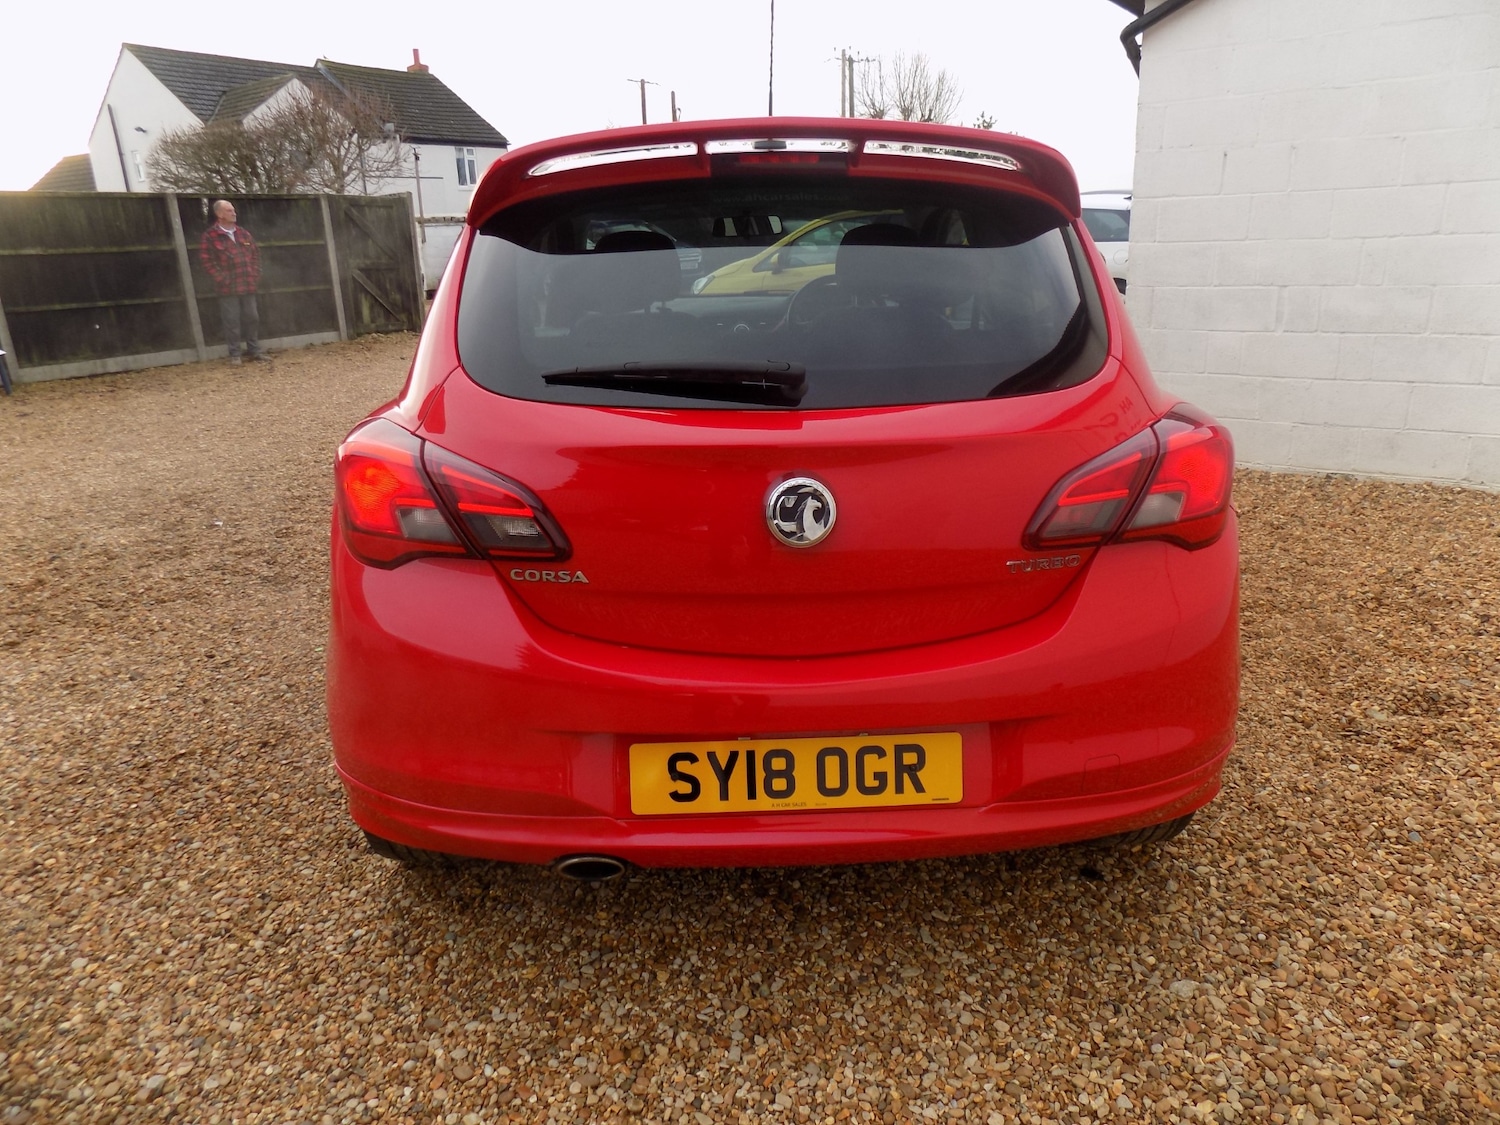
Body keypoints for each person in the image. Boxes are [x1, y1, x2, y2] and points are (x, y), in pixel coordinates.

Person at [199, 200, 270, 365]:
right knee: (231, 321)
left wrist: (254, 274)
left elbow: (256, 255)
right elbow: (207, 262)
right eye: (230, 210)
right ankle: (235, 354)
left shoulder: (244, 233)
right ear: (220, 214)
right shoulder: (210, 236)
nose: (234, 213)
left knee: (252, 318)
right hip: (227, 288)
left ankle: (254, 351)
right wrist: (223, 279)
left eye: (233, 210)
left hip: (248, 284)